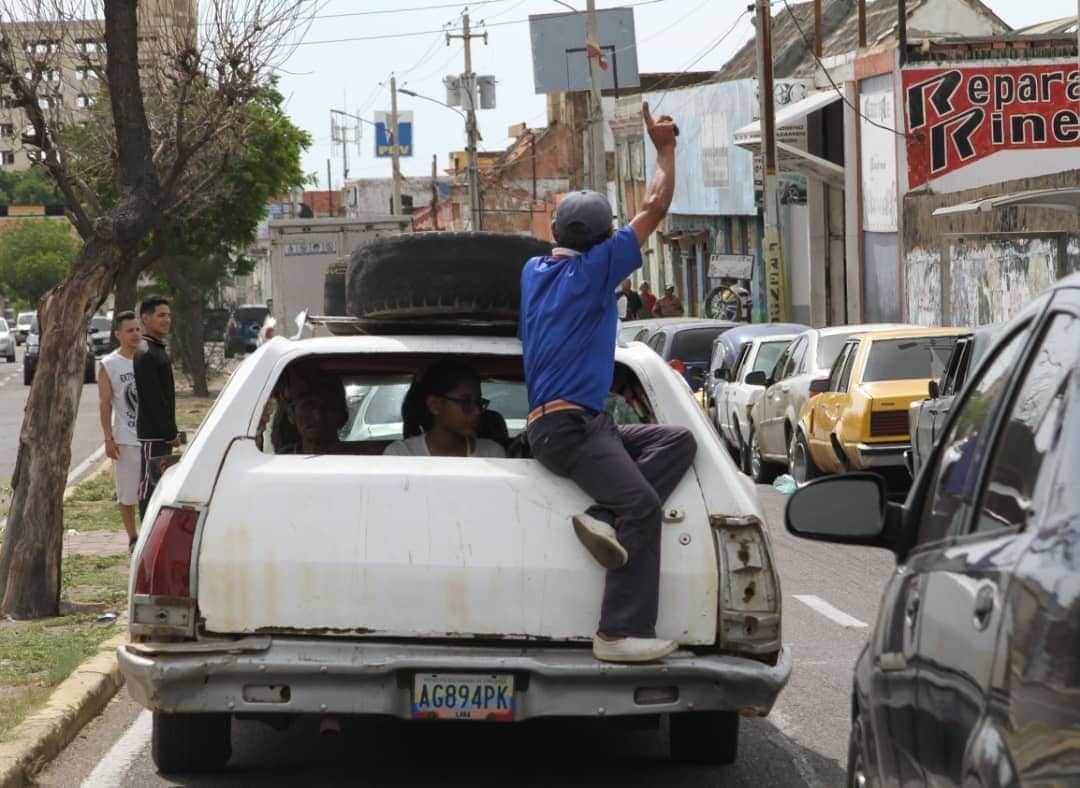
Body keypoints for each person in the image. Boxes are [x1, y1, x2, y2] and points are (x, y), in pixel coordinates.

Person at [518, 102, 697, 664]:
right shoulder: (595, 267)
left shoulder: (533, 273)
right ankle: (618, 632)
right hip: (571, 428)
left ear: (555, 233)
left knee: (675, 440)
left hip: (573, 425)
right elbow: (656, 205)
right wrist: (664, 149)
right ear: (602, 243)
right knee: (643, 507)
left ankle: (602, 517)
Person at [385, 360, 506, 458]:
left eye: (479, 402)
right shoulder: (401, 455)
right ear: (435, 405)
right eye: (465, 402)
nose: (477, 411)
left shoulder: (492, 454)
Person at [98, 311, 142, 553]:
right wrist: (108, 438)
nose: (135, 334)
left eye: (137, 329)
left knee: (154, 489)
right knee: (127, 492)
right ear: (118, 334)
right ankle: (132, 536)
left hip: (151, 437)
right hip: (125, 437)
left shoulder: (148, 356)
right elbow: (105, 404)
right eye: (129, 330)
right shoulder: (109, 364)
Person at [134, 296, 179, 518]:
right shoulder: (146, 352)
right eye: (161, 315)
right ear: (146, 318)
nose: (167, 320)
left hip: (161, 435)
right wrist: (169, 433)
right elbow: (153, 400)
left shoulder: (157, 348)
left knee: (161, 484)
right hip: (153, 435)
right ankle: (143, 536)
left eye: (169, 315)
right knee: (149, 485)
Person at [285, 367, 351, 454]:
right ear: (291, 414)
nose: (318, 416)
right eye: (307, 405)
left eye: (328, 405)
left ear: (342, 413)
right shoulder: (278, 464)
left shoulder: (360, 461)